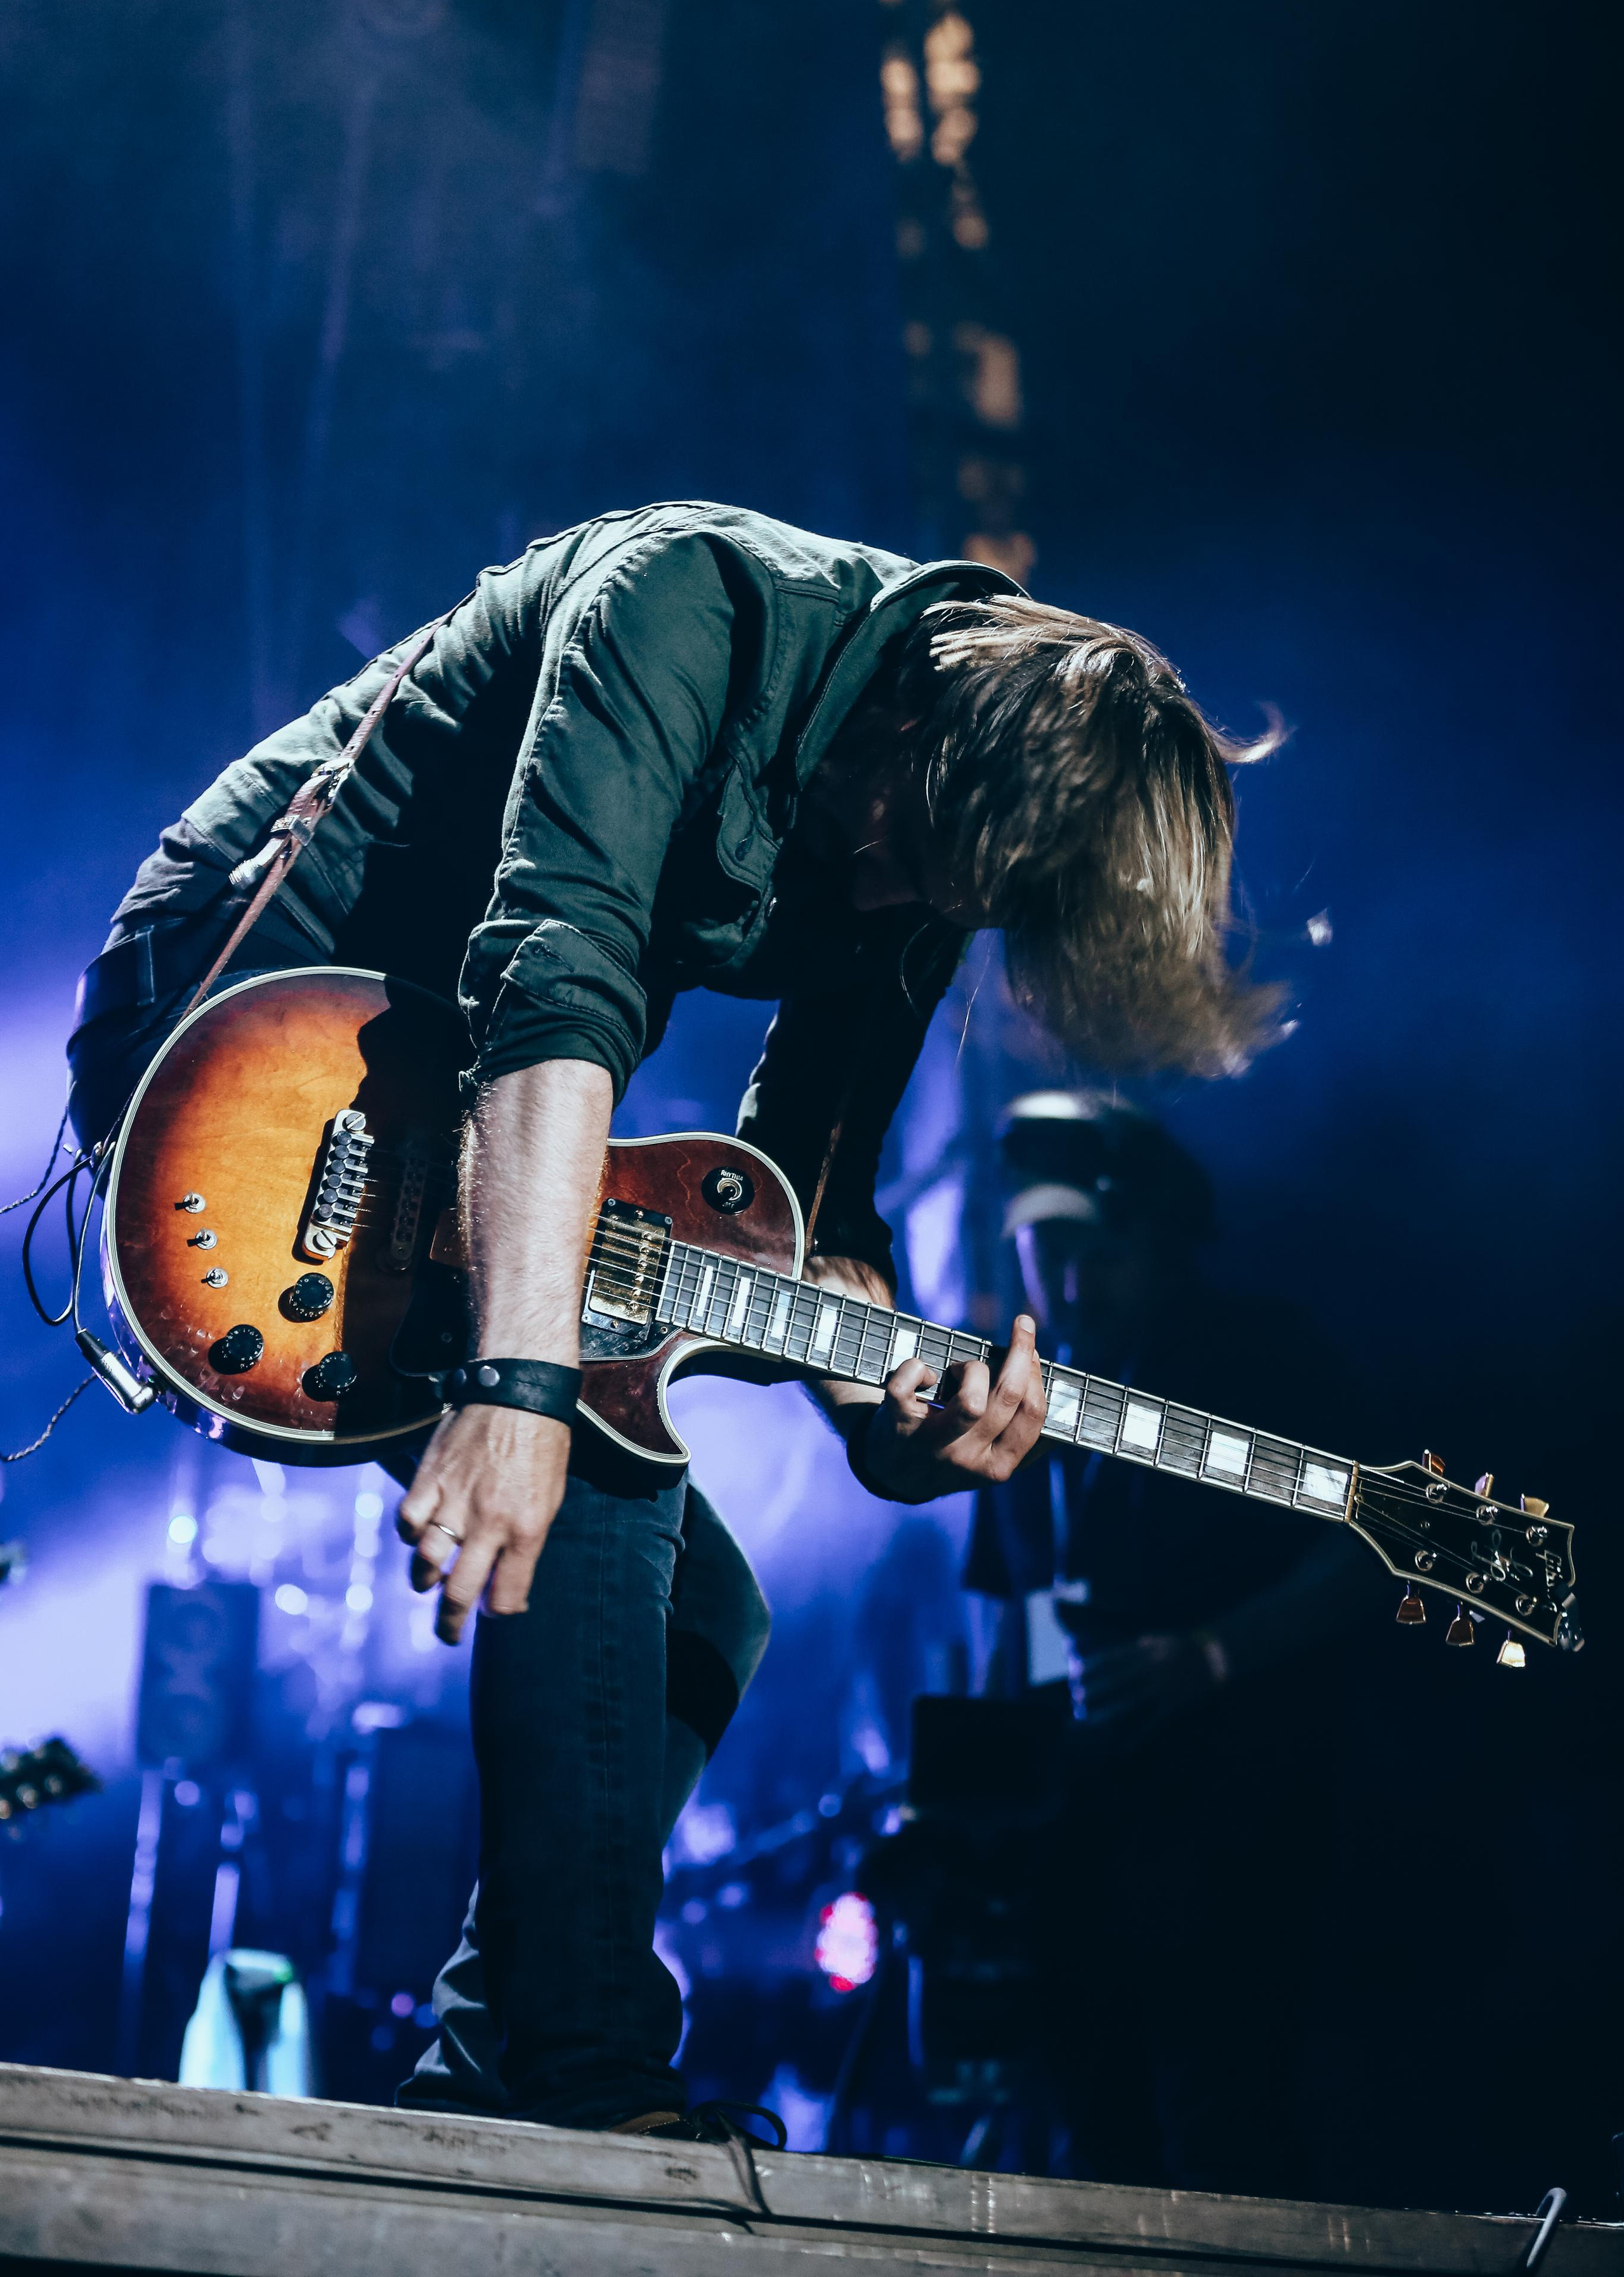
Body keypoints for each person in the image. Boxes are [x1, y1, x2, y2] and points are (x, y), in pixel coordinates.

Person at [67, 501, 1283, 2139]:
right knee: (596, 1443)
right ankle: (579, 2079)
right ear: (923, 714)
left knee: (706, 1621)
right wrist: (515, 1380)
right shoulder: (686, 613)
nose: (871, 882)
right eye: (887, 834)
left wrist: (894, 1420)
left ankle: (500, 2053)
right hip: (235, 1018)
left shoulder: (938, 840)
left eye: (930, 895)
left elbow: (802, 1206)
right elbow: (554, 983)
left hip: (452, 1108)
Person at [964, 1091, 1382, 2190]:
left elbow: (1377, 1550)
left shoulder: (1261, 1355)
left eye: (1086, 1247)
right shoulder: (1037, 1386)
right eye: (1036, 1251)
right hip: (1076, 1819)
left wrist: (1210, 1657)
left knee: (1230, 2118)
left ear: (1155, 1234)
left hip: (1238, 1801)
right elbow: (1008, 1616)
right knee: (1085, 2129)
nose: (1062, 1283)